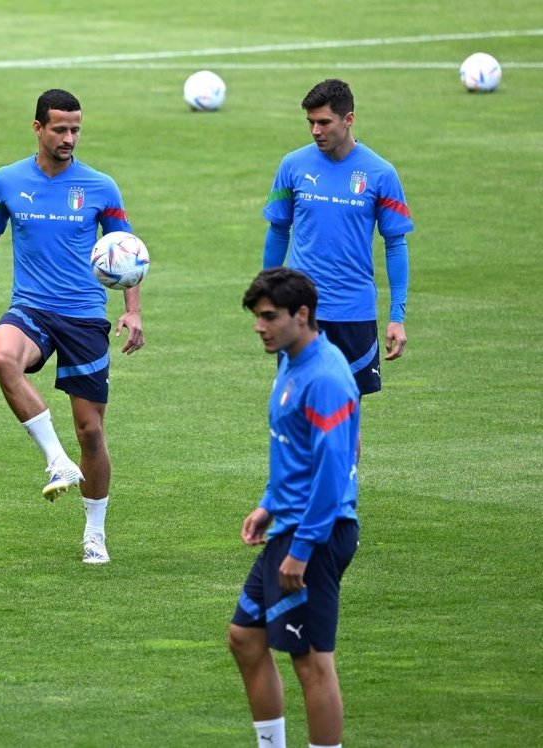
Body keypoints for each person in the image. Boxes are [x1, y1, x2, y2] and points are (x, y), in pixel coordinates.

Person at [0, 88, 144, 565]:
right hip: (31, 308)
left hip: (84, 316)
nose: (69, 137)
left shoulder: (100, 187)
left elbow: (126, 250)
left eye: (75, 129)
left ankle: (95, 530)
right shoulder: (7, 181)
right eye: (60, 129)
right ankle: (56, 459)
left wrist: (132, 310)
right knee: (1, 355)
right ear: (38, 128)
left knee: (90, 431)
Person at [229, 267, 361, 748]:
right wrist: (269, 503)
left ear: (302, 315)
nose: (259, 327)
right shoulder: (291, 359)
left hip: (316, 534)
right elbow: (297, 450)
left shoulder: (325, 377)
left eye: (269, 317)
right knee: (245, 638)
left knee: (311, 662)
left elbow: (334, 469)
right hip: (290, 522)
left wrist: (302, 547)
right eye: (257, 317)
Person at [262, 78, 413, 424]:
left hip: (353, 313)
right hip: (300, 313)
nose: (316, 130)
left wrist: (397, 317)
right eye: (310, 122)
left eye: (324, 122)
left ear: (349, 119)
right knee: (296, 412)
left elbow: (396, 243)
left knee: (344, 418)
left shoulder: (380, 173)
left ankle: (345, 481)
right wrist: (267, 296)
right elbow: (278, 230)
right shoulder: (292, 165)